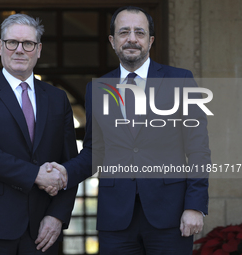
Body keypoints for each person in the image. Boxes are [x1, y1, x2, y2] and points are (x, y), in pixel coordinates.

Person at [45, 6, 210, 255]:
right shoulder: (97, 89)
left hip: (170, 215)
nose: (132, 39)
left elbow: (198, 149)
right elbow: (95, 151)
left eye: (139, 33)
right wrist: (66, 172)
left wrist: (195, 206)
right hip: (116, 218)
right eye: (124, 32)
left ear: (151, 41)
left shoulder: (180, 80)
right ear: (112, 41)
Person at [0, 13, 78, 254]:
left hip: (43, 230)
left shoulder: (57, 99)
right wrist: (36, 175)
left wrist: (57, 216)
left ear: (39, 49)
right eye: (12, 42)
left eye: (28, 44)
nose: (20, 50)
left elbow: (70, 164)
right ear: (1, 47)